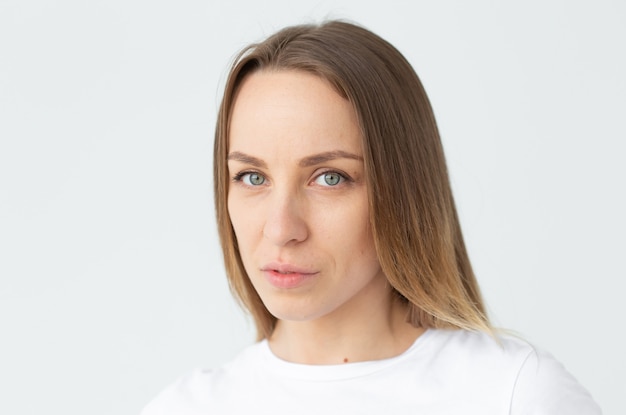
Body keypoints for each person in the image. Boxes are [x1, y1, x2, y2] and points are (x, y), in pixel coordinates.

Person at [141, 20, 601, 414]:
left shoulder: (514, 395)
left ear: (403, 191)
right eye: (252, 178)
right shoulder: (186, 407)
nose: (281, 229)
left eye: (330, 178)